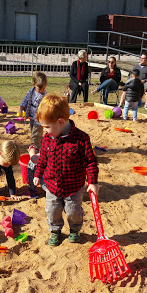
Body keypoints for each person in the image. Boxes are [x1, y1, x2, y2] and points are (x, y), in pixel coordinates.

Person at [33, 94, 99, 246]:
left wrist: (93, 182)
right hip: (51, 184)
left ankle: (74, 230)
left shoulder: (81, 139)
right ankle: (55, 230)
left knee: (73, 211)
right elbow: (43, 158)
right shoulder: (47, 139)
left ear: (61, 122)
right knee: (52, 210)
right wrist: (38, 174)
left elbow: (90, 162)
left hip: (74, 187)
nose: (45, 131)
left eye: (47, 127)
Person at [19, 71, 47, 150]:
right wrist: (21, 109)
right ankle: (39, 147)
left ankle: (35, 149)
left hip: (39, 119)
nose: (42, 90)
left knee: (35, 135)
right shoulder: (31, 92)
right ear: (34, 85)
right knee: (34, 132)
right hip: (31, 117)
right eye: (39, 88)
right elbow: (25, 100)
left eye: (44, 88)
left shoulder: (45, 95)